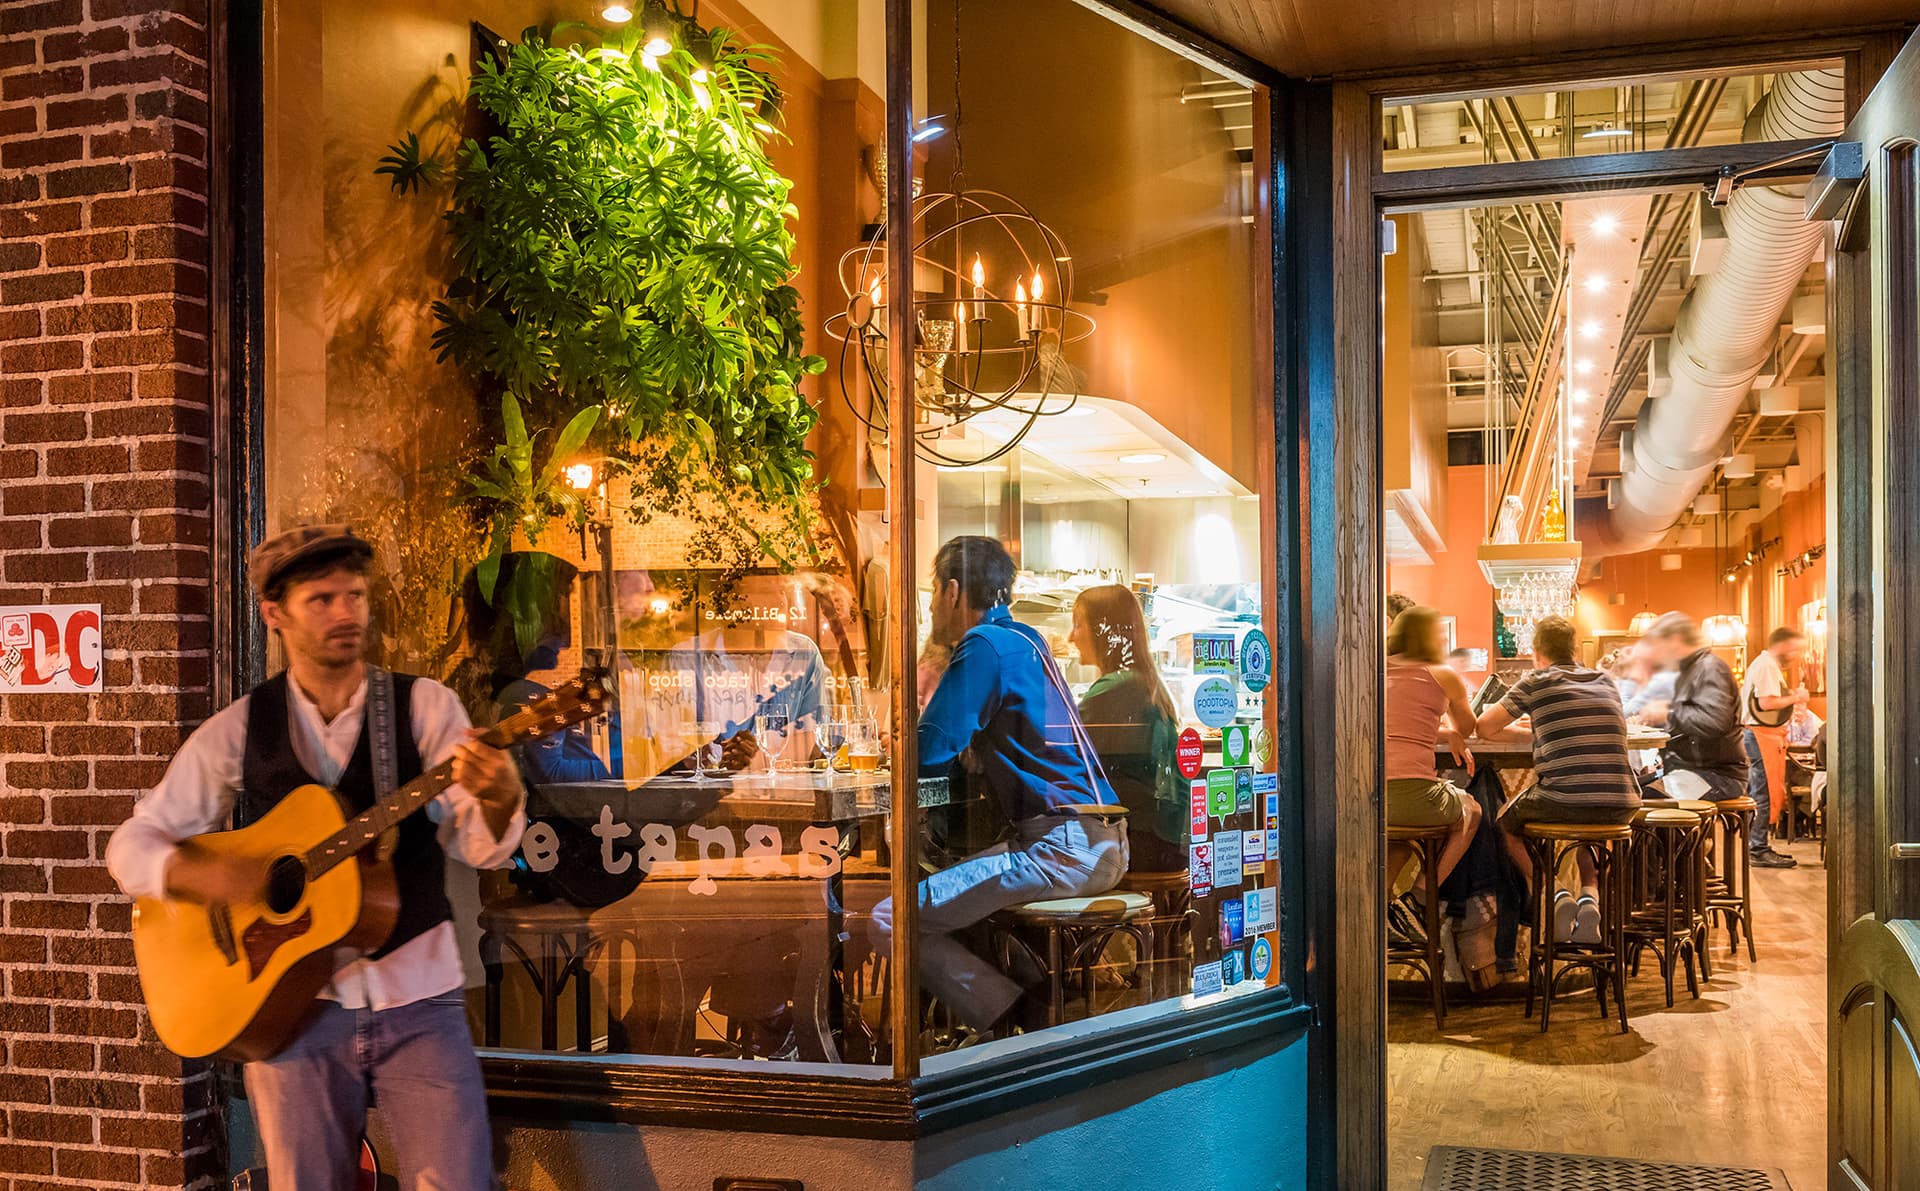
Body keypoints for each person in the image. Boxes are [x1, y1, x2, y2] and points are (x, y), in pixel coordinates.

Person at [105, 525, 527, 1189]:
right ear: (275, 614)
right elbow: (132, 842)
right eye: (322, 600)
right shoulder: (241, 727)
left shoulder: (423, 707)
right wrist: (200, 872)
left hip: (418, 999)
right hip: (290, 1008)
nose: (345, 613)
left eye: (355, 595)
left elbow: (477, 842)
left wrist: (500, 797)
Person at [869, 536, 1127, 1035]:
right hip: (1104, 841)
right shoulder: (1027, 640)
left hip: (1059, 848)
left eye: (932, 593)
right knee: (962, 900)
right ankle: (1031, 1006)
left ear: (951, 591)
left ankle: (1014, 1020)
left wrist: (893, 754)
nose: (931, 607)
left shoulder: (983, 644)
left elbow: (929, 749)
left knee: (887, 919)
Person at [1475, 615, 1640, 945]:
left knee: (1505, 823)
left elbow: (1484, 727)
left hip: (1564, 798)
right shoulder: (1605, 680)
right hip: (1622, 802)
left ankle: (1555, 893)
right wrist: (1540, 732)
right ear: (1574, 650)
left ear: (1537, 652)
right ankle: (1590, 896)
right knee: (1589, 832)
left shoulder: (1536, 680)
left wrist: (1532, 733)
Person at [1638, 612, 1789, 867]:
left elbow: (1715, 721)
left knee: (1648, 803)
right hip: (1692, 770)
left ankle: (1672, 881)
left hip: (1717, 775)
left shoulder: (1709, 668)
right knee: (1634, 791)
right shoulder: (1691, 671)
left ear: (1676, 640)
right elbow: (1689, 721)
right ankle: (1681, 873)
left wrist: (1667, 713)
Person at [1071, 584, 1185, 872]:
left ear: (1103, 631)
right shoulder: (1143, 681)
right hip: (1163, 837)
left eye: (1078, 624)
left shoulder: (1118, 686)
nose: (1071, 637)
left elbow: (1061, 744)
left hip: (1141, 842)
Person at [1383, 606, 1484, 910]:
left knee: (1400, 840)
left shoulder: (1374, 671)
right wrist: (1450, 728)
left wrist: (1442, 733)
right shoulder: (1443, 674)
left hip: (1370, 798)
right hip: (1416, 798)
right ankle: (1421, 893)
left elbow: (1394, 726)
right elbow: (1467, 727)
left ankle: (1383, 908)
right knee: (1473, 811)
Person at [1742, 626, 1810, 857]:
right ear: (1783, 645)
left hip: (1762, 735)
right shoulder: (1767, 665)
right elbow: (1766, 703)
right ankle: (1757, 848)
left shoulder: (1764, 664)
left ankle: (1757, 845)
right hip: (1761, 735)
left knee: (1762, 791)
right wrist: (1796, 697)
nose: (1796, 655)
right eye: (1795, 650)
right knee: (1763, 793)